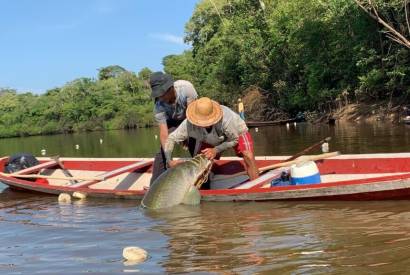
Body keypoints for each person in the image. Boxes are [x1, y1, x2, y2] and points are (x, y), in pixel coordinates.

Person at [164, 97, 259, 182]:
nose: (204, 123)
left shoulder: (227, 118)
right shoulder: (188, 124)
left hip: (236, 133)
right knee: (200, 162)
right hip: (209, 139)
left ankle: (256, 187)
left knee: (248, 156)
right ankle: (204, 184)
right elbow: (171, 138)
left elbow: (234, 140)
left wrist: (216, 150)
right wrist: (169, 160)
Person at [149, 72, 198, 184]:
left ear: (170, 87)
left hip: (190, 118)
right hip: (171, 121)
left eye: (163, 93)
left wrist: (185, 136)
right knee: (163, 151)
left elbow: (193, 118)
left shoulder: (186, 88)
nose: (161, 97)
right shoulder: (158, 106)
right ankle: (155, 184)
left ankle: (204, 177)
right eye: (158, 95)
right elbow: (164, 134)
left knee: (195, 142)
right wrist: (168, 159)